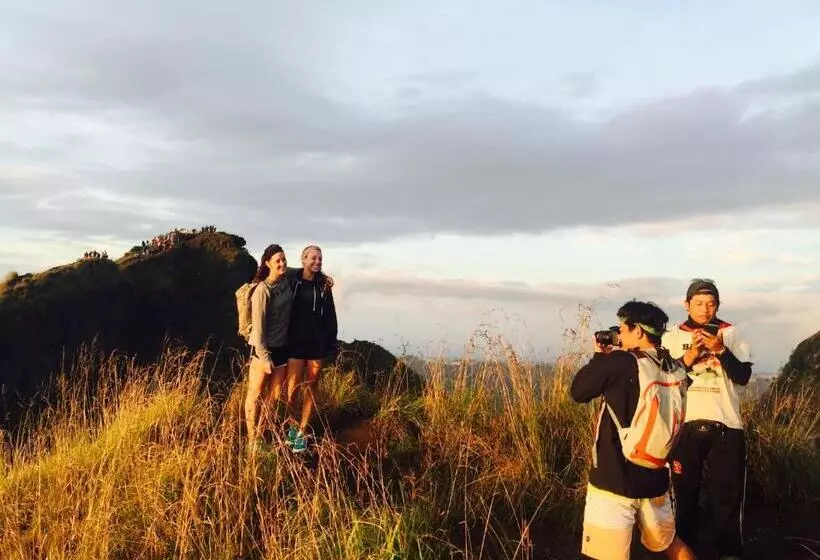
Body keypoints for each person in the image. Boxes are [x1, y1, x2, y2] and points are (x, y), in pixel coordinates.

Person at [571, 300, 695, 560]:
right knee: (671, 546)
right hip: (655, 477)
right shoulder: (674, 367)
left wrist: (599, 356)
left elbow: (579, 392)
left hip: (614, 478)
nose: (619, 336)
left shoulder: (620, 362)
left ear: (638, 331)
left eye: (623, 329)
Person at [663, 279, 752, 560]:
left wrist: (721, 350)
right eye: (699, 303)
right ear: (686, 304)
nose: (705, 309)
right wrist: (691, 355)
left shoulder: (731, 333)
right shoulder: (672, 336)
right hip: (684, 425)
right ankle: (685, 553)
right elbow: (665, 378)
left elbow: (743, 377)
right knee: (684, 498)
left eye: (711, 303)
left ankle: (729, 554)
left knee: (726, 499)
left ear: (718, 305)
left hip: (727, 424)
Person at [282, 245, 338, 453]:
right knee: (292, 390)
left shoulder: (324, 286)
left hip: (316, 345)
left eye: (320, 258)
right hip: (294, 344)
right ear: (303, 259)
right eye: (313, 258)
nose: (317, 261)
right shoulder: (292, 280)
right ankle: (291, 429)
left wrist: (331, 344)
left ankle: (302, 433)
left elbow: (330, 316)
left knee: (311, 391)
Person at [245, 244, 293, 450]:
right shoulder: (262, 291)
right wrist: (264, 358)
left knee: (273, 398)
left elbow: (305, 270)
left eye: (283, 259)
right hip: (262, 350)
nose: (282, 263)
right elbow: (258, 328)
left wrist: (325, 277)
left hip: (282, 348)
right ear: (267, 264)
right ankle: (251, 440)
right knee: (255, 395)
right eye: (277, 261)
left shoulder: (287, 281)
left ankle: (260, 435)